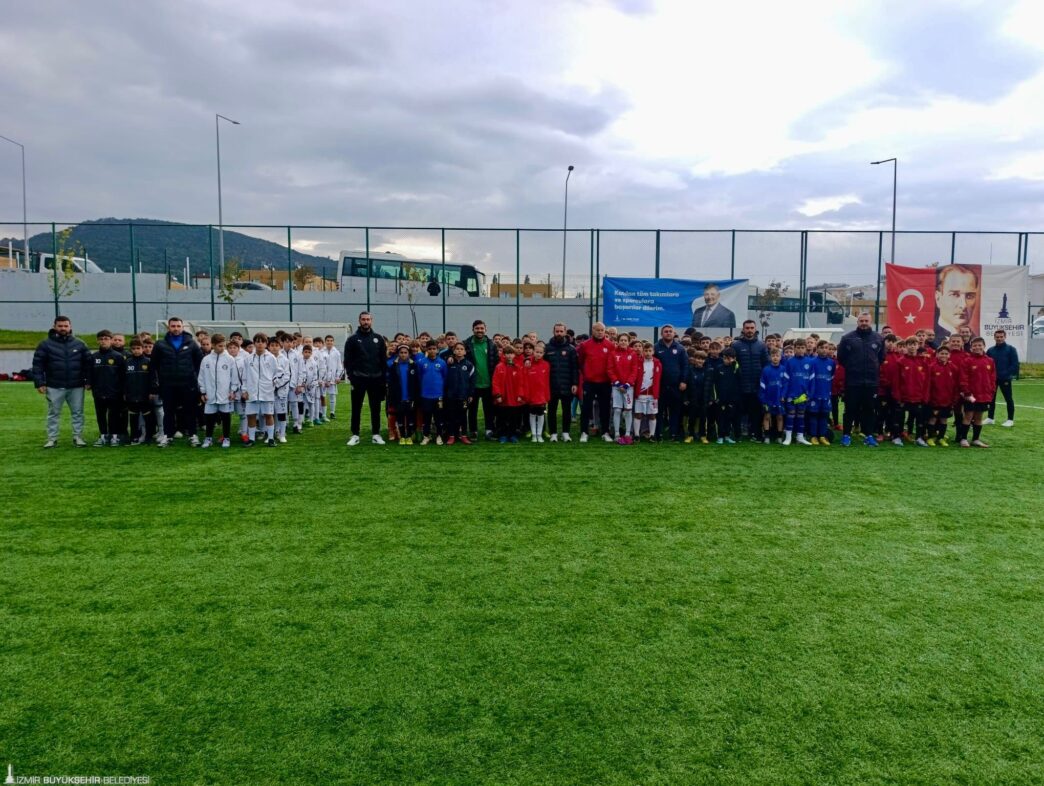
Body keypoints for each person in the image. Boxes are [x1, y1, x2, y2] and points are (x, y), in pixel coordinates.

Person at [32, 315, 92, 448]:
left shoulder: (80, 344)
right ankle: (52, 439)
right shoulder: (45, 344)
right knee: (53, 413)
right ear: (54, 326)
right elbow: (37, 365)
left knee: (78, 412)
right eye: (60, 326)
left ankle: (78, 437)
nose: (63, 328)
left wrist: (88, 380)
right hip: (54, 385)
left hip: (76, 385)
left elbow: (88, 364)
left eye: (66, 326)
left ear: (70, 327)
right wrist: (40, 383)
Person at [150, 316, 204, 447]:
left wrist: (195, 379)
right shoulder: (160, 344)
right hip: (168, 384)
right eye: (173, 326)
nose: (176, 328)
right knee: (168, 411)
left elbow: (200, 364)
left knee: (190, 411)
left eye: (178, 326)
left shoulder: (192, 343)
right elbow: (153, 365)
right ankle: (167, 436)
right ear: (169, 327)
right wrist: (155, 384)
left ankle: (193, 435)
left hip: (188, 384)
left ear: (182, 327)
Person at [837, 312, 885, 447]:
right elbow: (841, 358)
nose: (864, 323)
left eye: (866, 321)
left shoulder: (878, 338)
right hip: (853, 381)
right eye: (861, 321)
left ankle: (868, 436)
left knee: (869, 409)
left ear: (870, 322)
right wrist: (853, 368)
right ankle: (846, 435)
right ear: (857, 322)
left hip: (871, 382)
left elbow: (881, 358)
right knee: (850, 409)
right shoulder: (847, 338)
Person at [344, 312, 388, 445]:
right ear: (359, 321)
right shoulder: (352, 339)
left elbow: (383, 360)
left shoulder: (378, 338)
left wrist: (382, 379)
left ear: (371, 321)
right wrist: (352, 377)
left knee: (375, 408)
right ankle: (355, 435)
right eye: (363, 319)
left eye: (368, 319)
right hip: (358, 379)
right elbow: (347, 361)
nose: (366, 322)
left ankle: (376, 434)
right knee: (356, 408)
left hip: (376, 379)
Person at [197, 333, 239, 448]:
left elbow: (234, 377)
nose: (223, 348)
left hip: (225, 394)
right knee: (209, 417)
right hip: (210, 394)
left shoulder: (230, 359)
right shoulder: (206, 359)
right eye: (220, 346)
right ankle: (208, 438)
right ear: (213, 345)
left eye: (224, 345)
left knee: (225, 416)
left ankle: (226, 438)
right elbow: (201, 377)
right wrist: (203, 392)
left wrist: (232, 391)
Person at [87, 329, 127, 446]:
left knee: (113, 414)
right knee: (100, 415)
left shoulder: (118, 357)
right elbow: (89, 373)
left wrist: (123, 390)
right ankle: (103, 435)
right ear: (98, 341)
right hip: (98, 391)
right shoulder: (94, 356)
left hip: (114, 392)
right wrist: (89, 383)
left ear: (111, 340)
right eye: (101, 339)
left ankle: (114, 436)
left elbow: (123, 375)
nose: (103, 341)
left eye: (106, 339)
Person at [732, 320, 769, 440]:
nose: (749, 330)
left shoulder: (761, 345)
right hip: (741, 384)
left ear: (755, 329)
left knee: (756, 412)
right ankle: (738, 434)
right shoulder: (736, 345)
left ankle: (755, 434)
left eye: (752, 328)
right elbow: (732, 364)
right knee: (739, 411)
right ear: (743, 329)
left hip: (757, 385)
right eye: (747, 328)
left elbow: (766, 364)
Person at [577, 322, 614, 442]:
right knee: (586, 408)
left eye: (602, 330)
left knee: (605, 408)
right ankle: (584, 432)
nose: (600, 332)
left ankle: (605, 432)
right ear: (592, 330)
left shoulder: (610, 345)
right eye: (597, 330)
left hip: (605, 382)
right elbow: (581, 362)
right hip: (589, 382)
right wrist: (587, 374)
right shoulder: (584, 345)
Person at [464, 319, 499, 439]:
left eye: (481, 328)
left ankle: (489, 430)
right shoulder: (466, 344)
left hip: (488, 383)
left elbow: (496, 362)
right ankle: (473, 431)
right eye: (477, 328)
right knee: (472, 410)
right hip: (473, 384)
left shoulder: (491, 345)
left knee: (489, 409)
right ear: (473, 329)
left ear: (485, 329)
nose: (479, 330)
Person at [958, 337, 996, 448]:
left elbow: (993, 377)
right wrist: (967, 392)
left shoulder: (990, 361)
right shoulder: (967, 361)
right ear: (971, 347)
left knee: (979, 417)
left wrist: (991, 391)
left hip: (984, 395)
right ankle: (963, 439)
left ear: (984, 346)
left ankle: (975, 439)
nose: (977, 347)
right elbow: (963, 378)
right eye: (975, 345)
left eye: (980, 345)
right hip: (971, 395)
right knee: (968, 416)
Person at [544, 323, 579, 442]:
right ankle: (553, 433)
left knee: (566, 410)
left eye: (561, 331)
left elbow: (575, 368)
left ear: (565, 332)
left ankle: (566, 433)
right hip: (551, 385)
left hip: (567, 385)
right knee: (551, 410)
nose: (559, 333)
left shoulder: (571, 349)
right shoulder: (547, 348)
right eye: (557, 331)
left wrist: (575, 383)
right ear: (553, 332)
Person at [653, 324, 688, 442]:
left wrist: (683, 381)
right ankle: (658, 434)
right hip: (660, 386)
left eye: (670, 331)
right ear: (661, 334)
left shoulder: (680, 348)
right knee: (659, 412)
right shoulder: (656, 347)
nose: (668, 333)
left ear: (674, 333)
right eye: (666, 331)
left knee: (675, 411)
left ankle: (673, 434)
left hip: (676, 386)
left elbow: (685, 366)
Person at [243, 333, 278, 447]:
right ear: (254, 343)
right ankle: (251, 439)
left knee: (268, 415)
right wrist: (244, 390)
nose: (260, 344)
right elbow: (244, 376)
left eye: (262, 342)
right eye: (257, 342)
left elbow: (276, 374)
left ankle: (271, 438)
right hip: (251, 392)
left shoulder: (271, 358)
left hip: (266, 392)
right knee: (251, 415)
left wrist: (272, 385)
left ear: (266, 343)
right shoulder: (248, 359)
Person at [894, 338, 930, 447]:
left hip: (918, 396)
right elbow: (896, 381)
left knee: (920, 419)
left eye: (914, 344)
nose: (912, 346)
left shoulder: (923, 362)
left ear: (918, 346)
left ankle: (919, 438)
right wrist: (897, 396)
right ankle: (897, 437)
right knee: (899, 418)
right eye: (909, 344)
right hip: (904, 396)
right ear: (906, 346)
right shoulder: (900, 361)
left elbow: (927, 381)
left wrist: (925, 396)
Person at [781, 339, 814, 446]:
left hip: (803, 395)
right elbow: (785, 380)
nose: (800, 350)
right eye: (798, 348)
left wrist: (810, 394)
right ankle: (788, 437)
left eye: (802, 348)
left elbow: (812, 380)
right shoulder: (790, 362)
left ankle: (800, 437)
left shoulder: (810, 362)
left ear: (805, 348)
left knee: (801, 415)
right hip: (791, 394)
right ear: (794, 349)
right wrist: (783, 395)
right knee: (790, 414)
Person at [608, 332, 639, 444]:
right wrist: (617, 383)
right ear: (618, 341)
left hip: (628, 387)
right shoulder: (613, 353)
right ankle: (616, 434)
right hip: (616, 387)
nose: (623, 342)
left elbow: (634, 370)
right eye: (621, 340)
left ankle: (627, 433)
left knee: (628, 410)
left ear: (628, 342)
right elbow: (610, 369)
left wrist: (627, 384)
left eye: (625, 340)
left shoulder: (633, 354)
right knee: (617, 410)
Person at [934, 264, 980, 341]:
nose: (963, 305)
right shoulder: (930, 338)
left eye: (969, 296)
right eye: (954, 295)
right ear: (938, 298)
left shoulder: (975, 341)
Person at [386, 344, 420, 445]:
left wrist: (416, 397)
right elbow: (391, 384)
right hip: (399, 398)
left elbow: (417, 383)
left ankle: (408, 436)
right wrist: (391, 398)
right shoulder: (393, 366)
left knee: (410, 418)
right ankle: (402, 436)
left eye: (405, 352)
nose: (403, 354)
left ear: (409, 354)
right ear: (398, 354)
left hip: (410, 398)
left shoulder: (414, 365)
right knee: (400, 418)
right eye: (401, 352)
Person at [124, 338, 156, 444]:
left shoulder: (148, 362)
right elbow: (123, 379)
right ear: (130, 349)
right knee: (133, 417)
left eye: (138, 348)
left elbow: (153, 378)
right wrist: (125, 392)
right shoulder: (127, 362)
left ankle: (149, 436)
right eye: (134, 349)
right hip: (131, 395)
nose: (136, 351)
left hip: (145, 395)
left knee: (148, 417)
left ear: (142, 349)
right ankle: (134, 436)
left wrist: (152, 391)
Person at [926, 345, 959, 446]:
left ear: (949, 355)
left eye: (946, 354)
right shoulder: (931, 367)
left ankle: (941, 438)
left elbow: (956, 385)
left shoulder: (953, 368)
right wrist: (929, 398)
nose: (944, 355)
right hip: (934, 399)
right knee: (933, 419)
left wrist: (954, 399)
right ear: (937, 354)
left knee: (944, 419)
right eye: (941, 353)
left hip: (947, 400)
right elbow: (928, 385)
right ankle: (930, 438)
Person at [416, 340, 448, 445]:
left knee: (439, 417)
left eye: (434, 349)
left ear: (437, 350)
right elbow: (419, 378)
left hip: (439, 395)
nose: (432, 351)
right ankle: (426, 436)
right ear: (426, 349)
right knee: (427, 418)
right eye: (430, 349)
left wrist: (442, 392)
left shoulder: (442, 363)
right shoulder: (421, 362)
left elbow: (445, 377)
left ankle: (439, 436)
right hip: (425, 395)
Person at [985, 329, 1018, 427]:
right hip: (992, 379)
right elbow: (986, 364)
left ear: (1005, 337)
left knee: (1008, 399)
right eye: (997, 337)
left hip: (1005, 379)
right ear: (994, 337)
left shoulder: (1011, 349)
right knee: (991, 399)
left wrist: (1005, 374)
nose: (999, 339)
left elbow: (1014, 365)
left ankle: (1010, 420)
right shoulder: (990, 350)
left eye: (1001, 337)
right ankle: (990, 418)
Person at [443, 342, 475, 444]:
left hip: (463, 395)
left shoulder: (469, 365)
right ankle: (451, 436)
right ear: (454, 351)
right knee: (451, 416)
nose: (459, 351)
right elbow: (444, 379)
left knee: (463, 416)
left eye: (462, 349)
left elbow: (472, 381)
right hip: (451, 395)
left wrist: (470, 394)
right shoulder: (449, 364)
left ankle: (464, 435)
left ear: (465, 352)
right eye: (457, 349)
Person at [492, 344, 525, 443]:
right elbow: (495, 382)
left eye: (511, 353)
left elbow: (521, 383)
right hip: (503, 398)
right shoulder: (499, 367)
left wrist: (520, 395)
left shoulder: (518, 367)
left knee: (513, 418)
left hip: (514, 398)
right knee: (502, 417)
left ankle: (512, 435)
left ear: (514, 355)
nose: (509, 355)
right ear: (504, 355)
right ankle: (503, 435)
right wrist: (497, 395)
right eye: (507, 353)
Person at [521, 341, 551, 443]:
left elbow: (547, 382)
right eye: (537, 352)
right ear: (533, 352)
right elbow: (524, 380)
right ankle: (534, 435)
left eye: (540, 352)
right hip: (531, 395)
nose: (538, 354)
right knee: (532, 415)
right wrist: (526, 394)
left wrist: (547, 396)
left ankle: (539, 434)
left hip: (541, 395)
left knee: (541, 415)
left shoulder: (546, 365)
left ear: (543, 354)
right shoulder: (528, 364)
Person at [710, 347, 741, 444]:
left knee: (729, 418)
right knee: (720, 418)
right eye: (725, 358)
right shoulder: (719, 368)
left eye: (729, 358)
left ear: (734, 358)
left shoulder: (736, 367)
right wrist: (716, 397)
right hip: (721, 399)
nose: (727, 360)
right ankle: (720, 436)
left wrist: (734, 364)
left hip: (732, 399)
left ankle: (727, 436)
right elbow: (714, 383)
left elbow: (740, 378)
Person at [808, 341, 836, 445]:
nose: (824, 350)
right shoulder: (812, 362)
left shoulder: (831, 362)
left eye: (826, 348)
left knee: (824, 415)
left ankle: (822, 436)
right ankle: (813, 436)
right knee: (814, 415)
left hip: (826, 394)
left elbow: (832, 376)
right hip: (814, 394)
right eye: (822, 347)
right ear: (817, 349)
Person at [633, 342, 661, 441]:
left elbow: (659, 379)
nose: (648, 353)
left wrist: (656, 393)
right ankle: (636, 435)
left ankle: (652, 435)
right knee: (638, 414)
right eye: (646, 351)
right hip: (640, 393)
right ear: (643, 351)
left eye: (650, 351)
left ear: (653, 351)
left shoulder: (657, 363)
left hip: (653, 395)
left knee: (652, 415)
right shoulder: (638, 362)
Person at [759, 348, 785, 444]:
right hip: (768, 398)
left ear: (780, 357)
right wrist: (763, 398)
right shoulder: (766, 370)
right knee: (767, 416)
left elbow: (786, 384)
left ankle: (779, 437)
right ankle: (767, 436)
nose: (775, 358)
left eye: (777, 356)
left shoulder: (783, 369)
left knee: (780, 417)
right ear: (770, 357)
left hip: (779, 398)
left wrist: (783, 395)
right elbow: (762, 385)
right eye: (773, 356)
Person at [323, 335, 342, 420]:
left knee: (332, 395)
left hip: (333, 378)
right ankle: (322, 413)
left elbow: (339, 366)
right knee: (322, 396)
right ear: (325, 341)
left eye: (331, 340)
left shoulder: (336, 352)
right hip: (323, 378)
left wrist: (338, 376)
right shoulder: (321, 351)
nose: (329, 342)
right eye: (328, 340)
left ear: (333, 342)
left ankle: (332, 412)